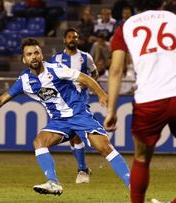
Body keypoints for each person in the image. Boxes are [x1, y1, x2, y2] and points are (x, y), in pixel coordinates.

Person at [0, 38, 130, 195]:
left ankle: (132, 185)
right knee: (39, 141)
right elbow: (1, 99)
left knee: (104, 147)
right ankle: (53, 183)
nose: (33, 56)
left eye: (36, 53)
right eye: (29, 54)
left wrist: (101, 94)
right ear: (24, 59)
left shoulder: (55, 69)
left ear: (41, 55)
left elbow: (84, 77)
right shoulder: (24, 80)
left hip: (79, 114)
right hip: (59, 121)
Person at [104, 1, 176, 202]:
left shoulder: (125, 27)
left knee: (142, 157)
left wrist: (111, 109)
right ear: (162, 2)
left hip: (149, 99)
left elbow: (116, 70)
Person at [49, 28, 98, 184]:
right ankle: (83, 168)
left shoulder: (85, 57)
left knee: (76, 132)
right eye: (70, 37)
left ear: (78, 40)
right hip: (62, 101)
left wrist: (88, 83)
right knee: (72, 135)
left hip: (80, 100)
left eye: (75, 37)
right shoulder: (55, 58)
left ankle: (82, 169)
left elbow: (94, 72)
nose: (72, 39)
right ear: (64, 40)